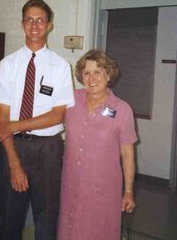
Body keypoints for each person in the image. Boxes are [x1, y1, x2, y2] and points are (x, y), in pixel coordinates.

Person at [0, 0, 75, 240]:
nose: (35, 25)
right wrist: (14, 163)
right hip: (13, 147)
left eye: (40, 20)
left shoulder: (60, 66)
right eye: (29, 19)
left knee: (47, 218)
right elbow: (2, 121)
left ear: (49, 25)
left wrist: (15, 125)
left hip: (48, 149)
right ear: (22, 24)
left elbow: (57, 115)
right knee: (10, 218)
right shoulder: (8, 65)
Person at [57, 49, 137, 240]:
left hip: (103, 190)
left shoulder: (122, 110)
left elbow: (128, 155)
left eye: (98, 72)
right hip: (71, 184)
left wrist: (128, 191)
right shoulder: (71, 100)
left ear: (108, 74)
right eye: (86, 73)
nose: (92, 78)